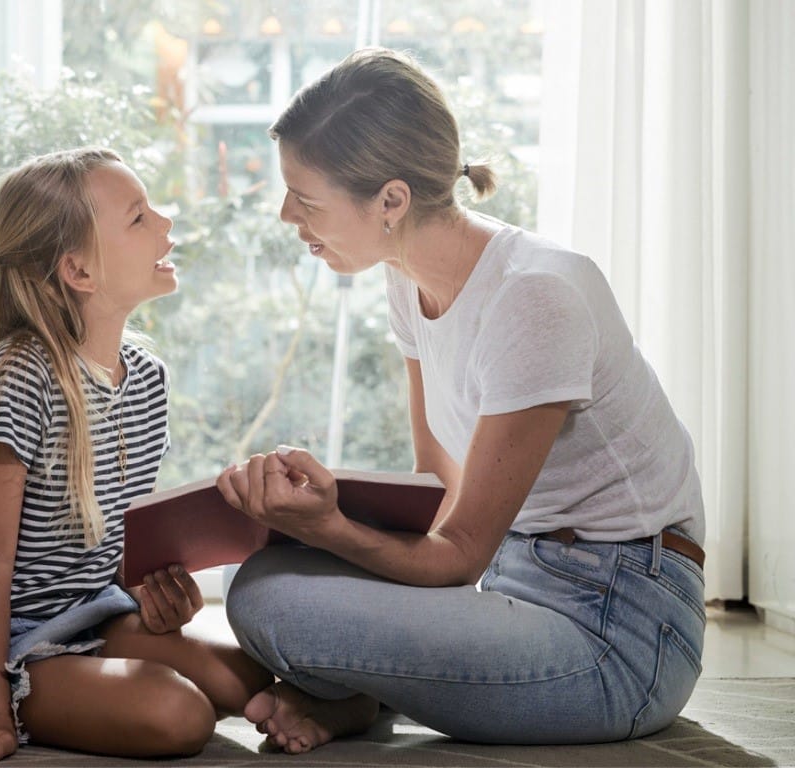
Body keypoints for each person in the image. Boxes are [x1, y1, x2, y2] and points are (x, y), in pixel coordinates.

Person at [217, 48, 706, 754]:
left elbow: (457, 554)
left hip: (617, 632)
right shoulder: (406, 278)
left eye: (307, 198)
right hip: (509, 584)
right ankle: (362, 694)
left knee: (268, 600)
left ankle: (358, 694)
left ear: (390, 201)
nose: (286, 213)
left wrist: (331, 528)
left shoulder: (536, 296)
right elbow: (436, 487)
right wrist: (311, 512)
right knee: (259, 555)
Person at [0, 147, 272, 768]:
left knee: (246, 681)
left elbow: (104, 547)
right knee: (179, 714)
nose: (166, 223)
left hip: (86, 614)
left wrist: (157, 598)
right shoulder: (16, 377)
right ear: (80, 271)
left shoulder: (147, 377)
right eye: (138, 217)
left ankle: (306, 705)